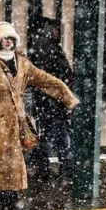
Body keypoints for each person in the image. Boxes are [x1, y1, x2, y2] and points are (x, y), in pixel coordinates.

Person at [0, 22, 79, 210]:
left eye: (11, 39)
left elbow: (44, 79)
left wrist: (67, 97)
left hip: (15, 120)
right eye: (4, 38)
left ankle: (8, 199)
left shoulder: (22, 63)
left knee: (12, 161)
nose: (8, 42)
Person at [28, 17, 75, 180]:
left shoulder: (37, 47)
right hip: (53, 100)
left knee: (46, 134)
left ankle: (44, 168)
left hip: (44, 100)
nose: (57, 32)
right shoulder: (51, 48)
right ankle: (63, 167)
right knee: (59, 135)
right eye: (55, 29)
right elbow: (64, 73)